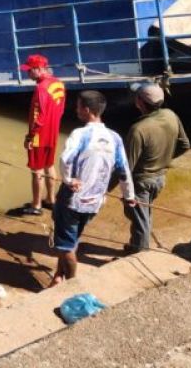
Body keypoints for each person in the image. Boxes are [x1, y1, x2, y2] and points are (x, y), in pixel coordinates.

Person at [50, 91, 135, 287]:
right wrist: (128, 195)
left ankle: (71, 284)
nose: (76, 109)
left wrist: (69, 180)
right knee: (72, 240)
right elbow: (123, 170)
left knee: (65, 246)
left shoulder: (80, 134)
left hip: (73, 199)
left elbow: (65, 159)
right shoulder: (115, 138)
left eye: (78, 106)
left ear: (87, 110)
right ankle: (58, 275)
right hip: (95, 201)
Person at [124, 82, 190, 252]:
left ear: (139, 102)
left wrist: (107, 190)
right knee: (145, 215)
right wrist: (165, 159)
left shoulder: (138, 129)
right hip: (160, 177)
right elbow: (184, 145)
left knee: (141, 220)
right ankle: (135, 246)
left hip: (142, 182)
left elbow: (126, 168)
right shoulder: (170, 115)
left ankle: (140, 253)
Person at [16, 54, 66, 216]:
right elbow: (61, 110)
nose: (27, 74)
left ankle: (36, 205)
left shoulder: (41, 88)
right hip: (53, 132)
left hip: (39, 135)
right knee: (49, 165)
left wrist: (30, 136)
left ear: (38, 69)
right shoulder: (58, 83)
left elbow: (40, 117)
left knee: (36, 169)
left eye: (29, 70)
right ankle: (51, 200)